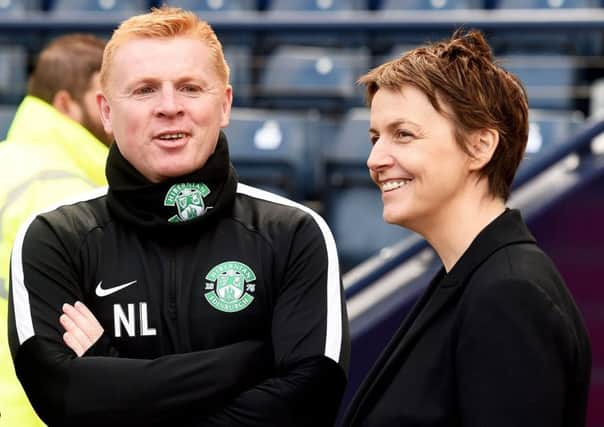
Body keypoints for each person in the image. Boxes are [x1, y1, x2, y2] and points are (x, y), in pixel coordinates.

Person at [8, 7, 349, 427]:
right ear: (107, 112)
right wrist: (250, 361)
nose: (169, 107)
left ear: (224, 104)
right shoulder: (55, 237)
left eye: (189, 88)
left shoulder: (293, 232)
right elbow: (63, 396)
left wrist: (108, 373)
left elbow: (308, 400)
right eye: (145, 90)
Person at [342, 30, 591, 427]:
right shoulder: (471, 277)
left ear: (480, 147)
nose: (375, 159)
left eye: (402, 134)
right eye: (375, 138)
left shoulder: (509, 294)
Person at [0, 33, 110, 426]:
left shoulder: (6, 160)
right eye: (102, 100)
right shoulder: (67, 194)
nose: (112, 112)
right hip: (31, 409)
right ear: (65, 104)